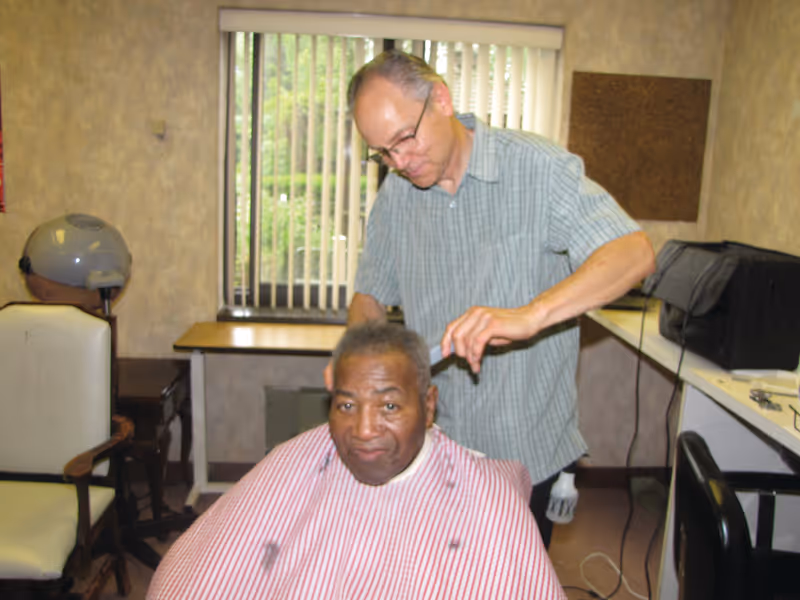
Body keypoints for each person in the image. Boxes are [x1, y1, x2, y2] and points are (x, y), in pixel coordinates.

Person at [333, 49, 656, 548]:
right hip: (437, 444)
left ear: (440, 98)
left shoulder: (537, 168)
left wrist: (530, 316)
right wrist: (356, 364)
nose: (400, 161)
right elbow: (370, 297)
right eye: (383, 153)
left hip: (523, 447)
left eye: (404, 139)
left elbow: (632, 253)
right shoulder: (396, 198)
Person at [148, 323, 566, 600]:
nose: (364, 429)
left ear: (428, 405)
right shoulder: (299, 460)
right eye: (347, 405)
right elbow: (195, 579)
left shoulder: (487, 502)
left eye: (388, 405)